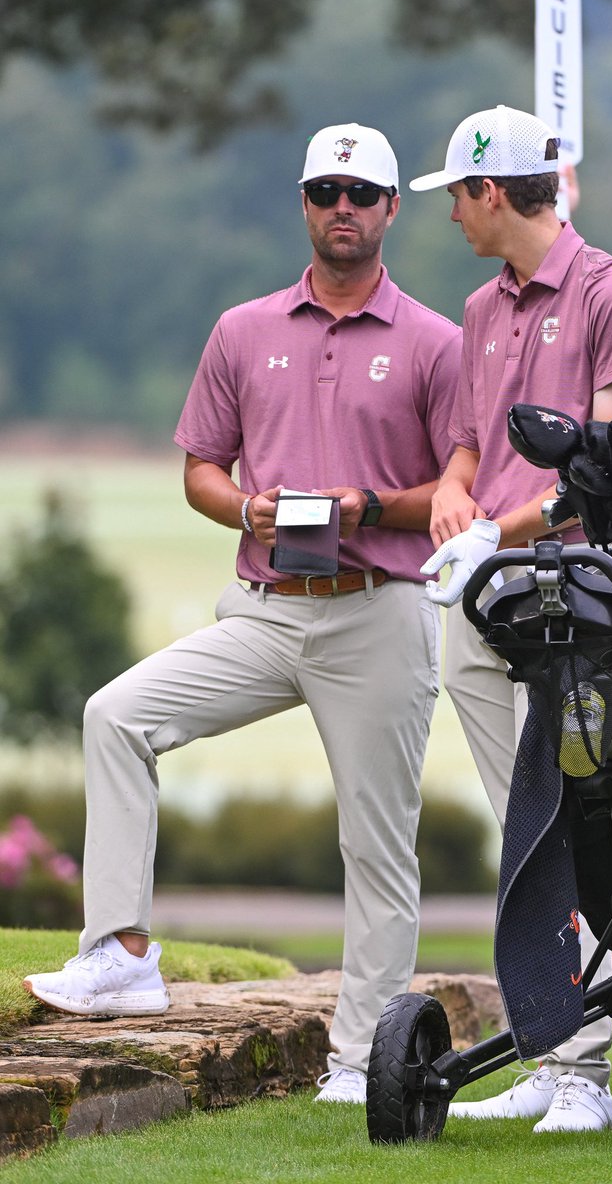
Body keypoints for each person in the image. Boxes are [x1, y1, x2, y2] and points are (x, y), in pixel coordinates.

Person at [23, 123, 462, 1105]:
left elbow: (455, 485)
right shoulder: (243, 330)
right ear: (303, 204)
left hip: (380, 610)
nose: (341, 206)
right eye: (323, 190)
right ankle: (123, 953)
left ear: (394, 208)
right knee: (116, 715)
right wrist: (247, 507)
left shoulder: (437, 342)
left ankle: (362, 1065)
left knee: (376, 841)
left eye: (360, 192)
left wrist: (370, 507)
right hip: (265, 605)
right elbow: (199, 470)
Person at [408, 104, 612, 1133]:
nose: (453, 217)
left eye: (457, 197)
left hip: (579, 600)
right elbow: (467, 444)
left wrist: (502, 531)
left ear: (491, 192)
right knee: (520, 831)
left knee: (570, 824)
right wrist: (451, 498)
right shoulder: (480, 309)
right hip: (484, 593)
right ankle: (551, 1057)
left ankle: (587, 1078)